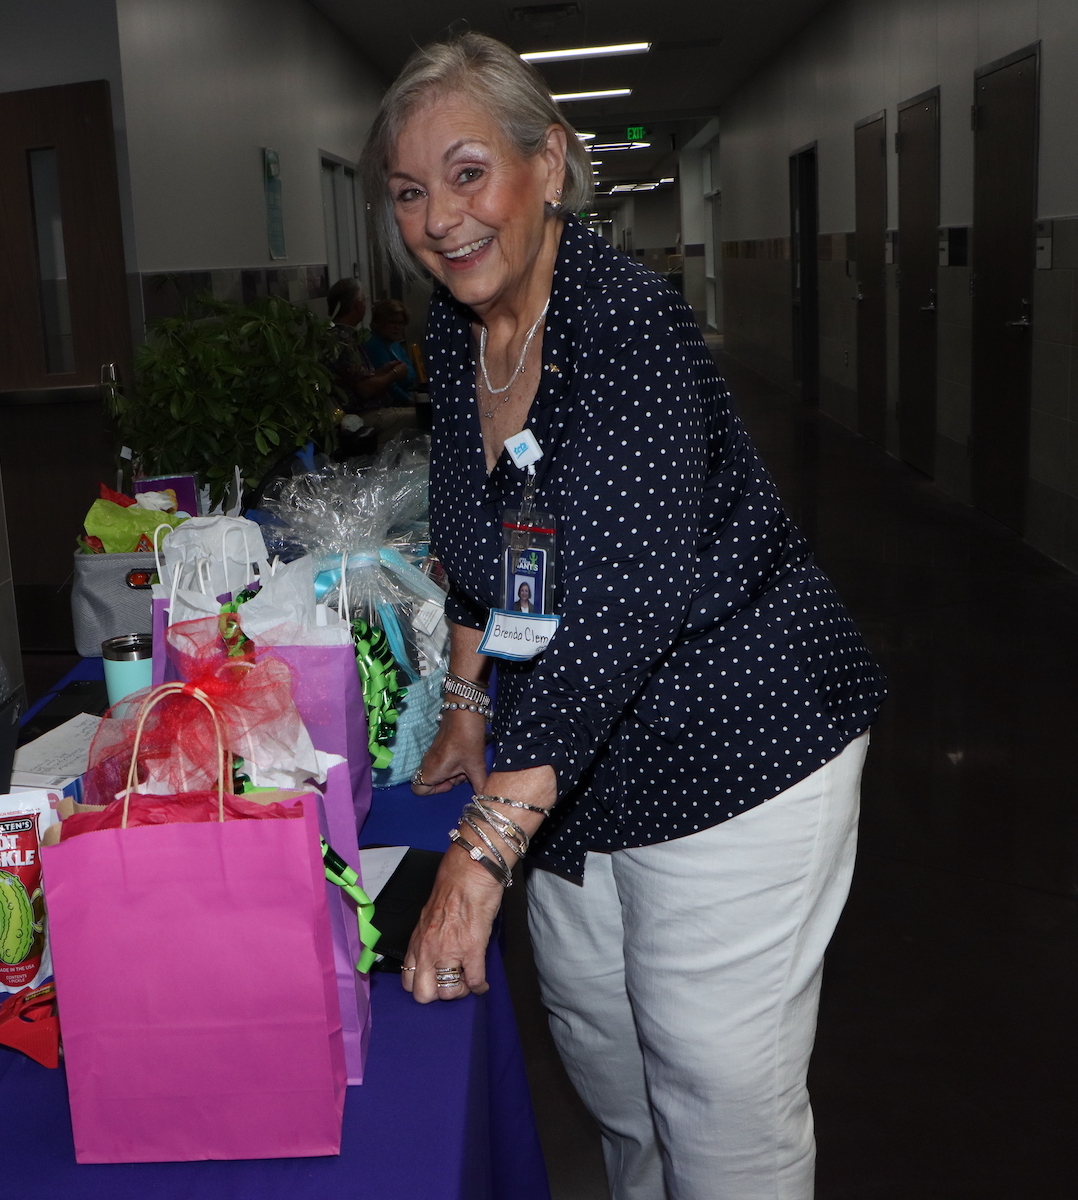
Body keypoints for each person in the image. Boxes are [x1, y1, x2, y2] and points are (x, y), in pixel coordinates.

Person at [363, 33, 886, 1200]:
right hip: (578, 761)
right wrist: (462, 705)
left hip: (739, 739)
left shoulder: (626, 331)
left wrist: (481, 856)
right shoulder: (459, 330)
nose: (441, 217)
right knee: (609, 1066)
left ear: (548, 165)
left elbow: (616, 614)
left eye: (466, 171)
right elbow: (477, 539)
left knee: (713, 1094)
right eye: (408, 191)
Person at [325, 277, 415, 448]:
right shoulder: (343, 341)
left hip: (372, 409)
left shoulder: (342, 336)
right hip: (363, 415)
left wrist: (383, 372)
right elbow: (365, 389)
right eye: (364, 300)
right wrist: (394, 374)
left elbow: (358, 377)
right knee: (428, 417)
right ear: (358, 305)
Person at [362, 298, 419, 407]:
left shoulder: (395, 344)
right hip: (387, 405)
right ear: (380, 323)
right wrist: (411, 402)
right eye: (392, 323)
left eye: (401, 323)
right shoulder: (373, 343)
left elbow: (411, 373)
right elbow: (390, 387)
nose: (397, 327)